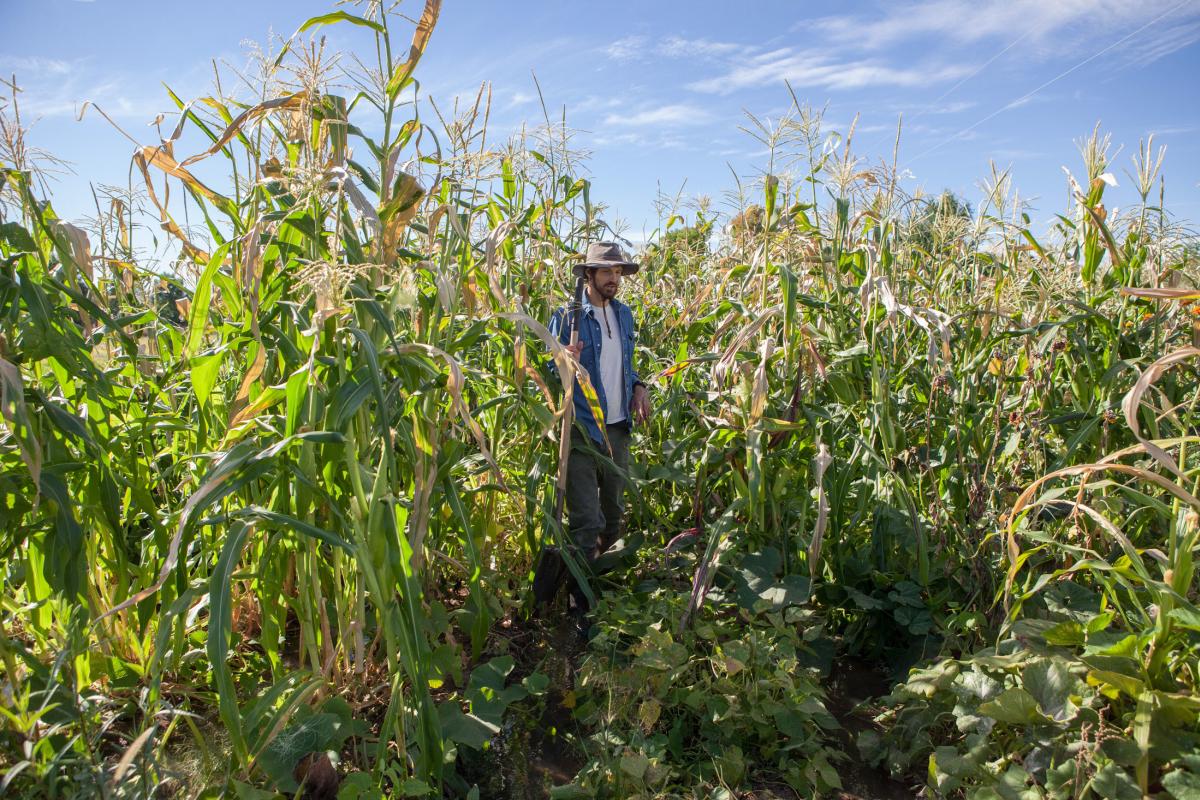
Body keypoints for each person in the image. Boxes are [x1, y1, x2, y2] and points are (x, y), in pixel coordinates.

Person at [547, 242, 652, 617]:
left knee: (613, 514)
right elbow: (547, 372)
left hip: (618, 428)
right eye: (607, 272)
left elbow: (625, 366)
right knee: (586, 522)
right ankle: (580, 601)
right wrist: (561, 361)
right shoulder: (567, 316)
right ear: (588, 275)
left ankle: (605, 587)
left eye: (619, 272)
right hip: (581, 430)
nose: (614, 279)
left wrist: (639, 387)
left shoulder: (624, 315)